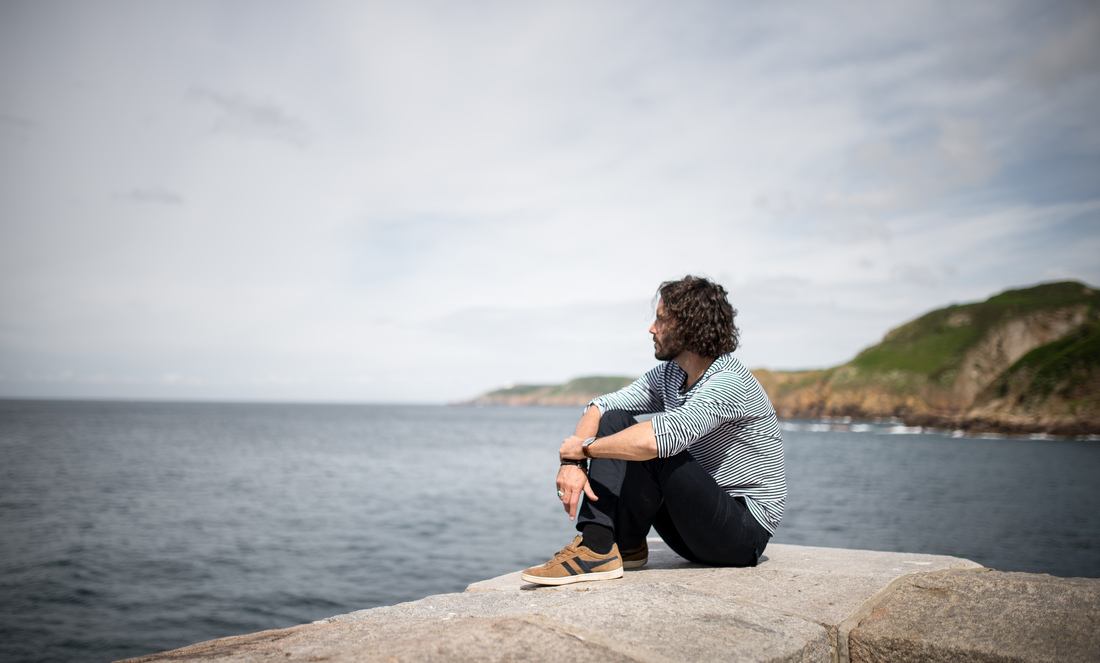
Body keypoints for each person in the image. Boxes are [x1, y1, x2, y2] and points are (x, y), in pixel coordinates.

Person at [521, 275, 786, 586]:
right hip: (693, 529)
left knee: (653, 446)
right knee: (616, 419)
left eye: (661, 320)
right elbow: (600, 406)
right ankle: (624, 546)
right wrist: (572, 464)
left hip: (742, 534)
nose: (651, 329)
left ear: (690, 326)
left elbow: (660, 439)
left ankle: (595, 549)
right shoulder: (672, 374)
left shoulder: (729, 382)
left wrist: (584, 449)